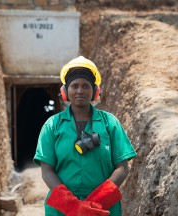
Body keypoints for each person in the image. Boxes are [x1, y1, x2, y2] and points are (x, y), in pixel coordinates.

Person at [33, 56, 137, 216]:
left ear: (95, 91)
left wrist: (95, 203)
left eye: (86, 86)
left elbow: (122, 168)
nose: (80, 90)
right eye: (74, 86)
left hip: (102, 209)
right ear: (65, 91)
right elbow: (47, 171)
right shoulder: (52, 125)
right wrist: (72, 206)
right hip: (62, 211)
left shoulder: (110, 123)